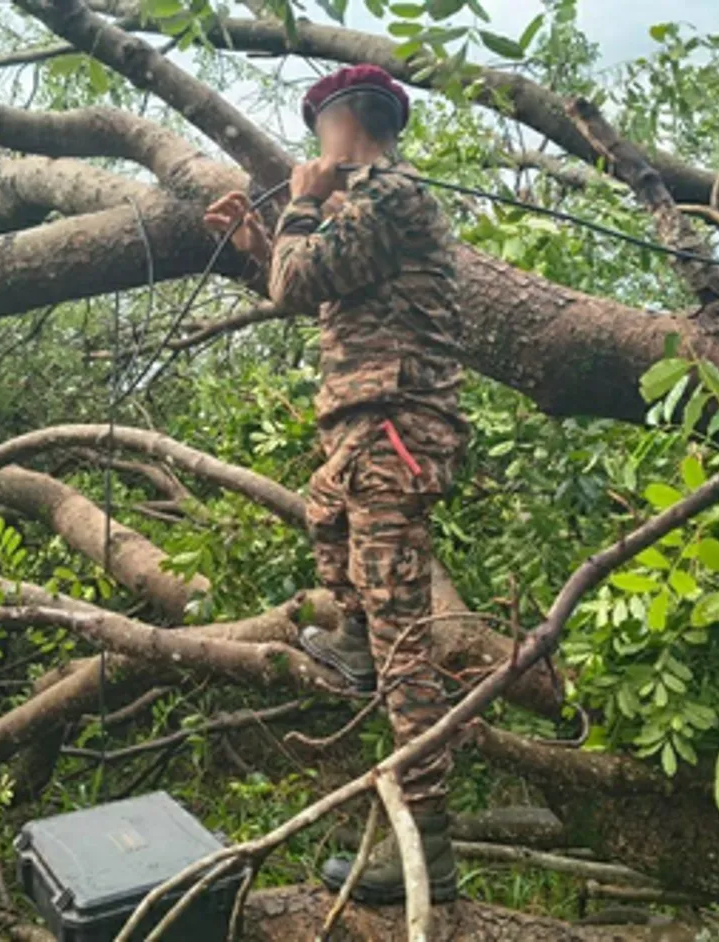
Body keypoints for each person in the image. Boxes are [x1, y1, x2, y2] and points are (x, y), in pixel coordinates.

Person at [203, 64, 468, 904]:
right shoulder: (364, 210)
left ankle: (428, 844)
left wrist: (300, 205)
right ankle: (353, 637)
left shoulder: (392, 196)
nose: (312, 149)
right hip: (359, 433)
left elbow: (298, 279)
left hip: (395, 434)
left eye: (318, 132)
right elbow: (307, 285)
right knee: (325, 525)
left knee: (405, 648)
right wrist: (265, 237)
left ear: (342, 120)